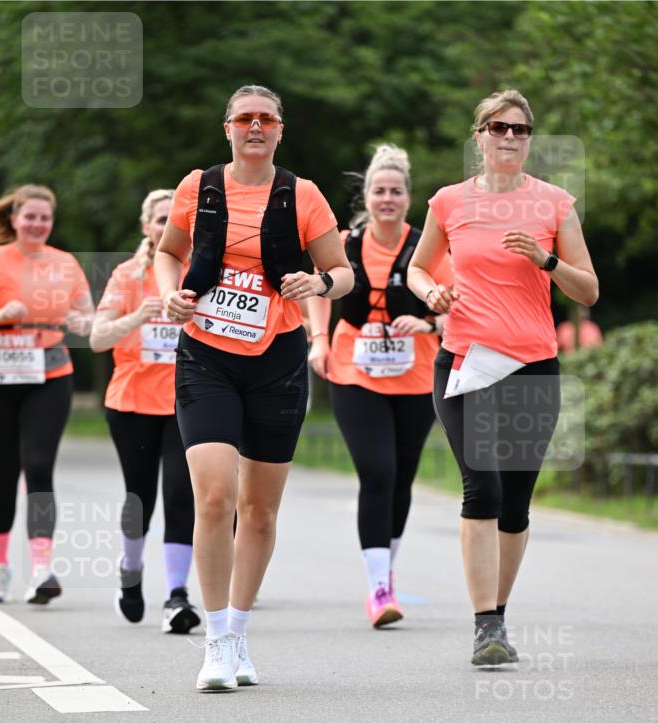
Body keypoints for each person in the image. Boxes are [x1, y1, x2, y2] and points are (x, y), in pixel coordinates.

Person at [154, 84, 353, 691]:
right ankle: (215, 641)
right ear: (229, 129)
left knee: (259, 509)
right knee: (214, 497)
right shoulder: (199, 186)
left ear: (280, 130)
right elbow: (169, 253)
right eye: (245, 119)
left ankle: (239, 630)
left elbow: (343, 273)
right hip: (207, 357)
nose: (255, 127)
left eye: (266, 119)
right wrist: (170, 292)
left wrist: (316, 286)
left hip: (278, 359)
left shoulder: (304, 194)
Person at [408, 90, 598, 665]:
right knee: (482, 487)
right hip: (465, 360)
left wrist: (546, 261)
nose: (509, 137)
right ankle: (484, 626)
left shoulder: (555, 204)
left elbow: (588, 290)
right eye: (498, 128)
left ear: (529, 138)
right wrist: (431, 291)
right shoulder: (448, 202)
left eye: (519, 129)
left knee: (515, 502)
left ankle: (499, 618)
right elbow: (418, 268)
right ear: (479, 138)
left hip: (532, 366)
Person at [309, 144, 454, 627]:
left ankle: (384, 570)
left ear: (408, 198)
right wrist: (317, 340)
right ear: (366, 196)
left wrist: (430, 326)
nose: (387, 199)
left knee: (402, 477)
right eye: (378, 191)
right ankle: (377, 589)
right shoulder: (345, 242)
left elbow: (456, 305)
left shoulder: (427, 248)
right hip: (355, 371)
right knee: (377, 473)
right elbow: (318, 287)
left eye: (395, 191)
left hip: (416, 374)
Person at [91, 190, 200, 634]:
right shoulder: (127, 276)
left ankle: (176, 595)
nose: (167, 227)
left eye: (175, 221)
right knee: (141, 498)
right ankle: (131, 572)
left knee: (180, 494)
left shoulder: (202, 274)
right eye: (160, 220)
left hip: (187, 402)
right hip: (132, 403)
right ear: (147, 227)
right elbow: (98, 339)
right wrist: (137, 316)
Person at [0, 185, 93, 605]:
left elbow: (89, 317)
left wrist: (80, 320)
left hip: (51, 371)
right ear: (14, 219)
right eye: (29, 216)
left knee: (38, 465)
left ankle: (41, 569)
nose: (36, 224)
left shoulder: (64, 263)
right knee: (3, 472)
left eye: (44, 218)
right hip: (0, 372)